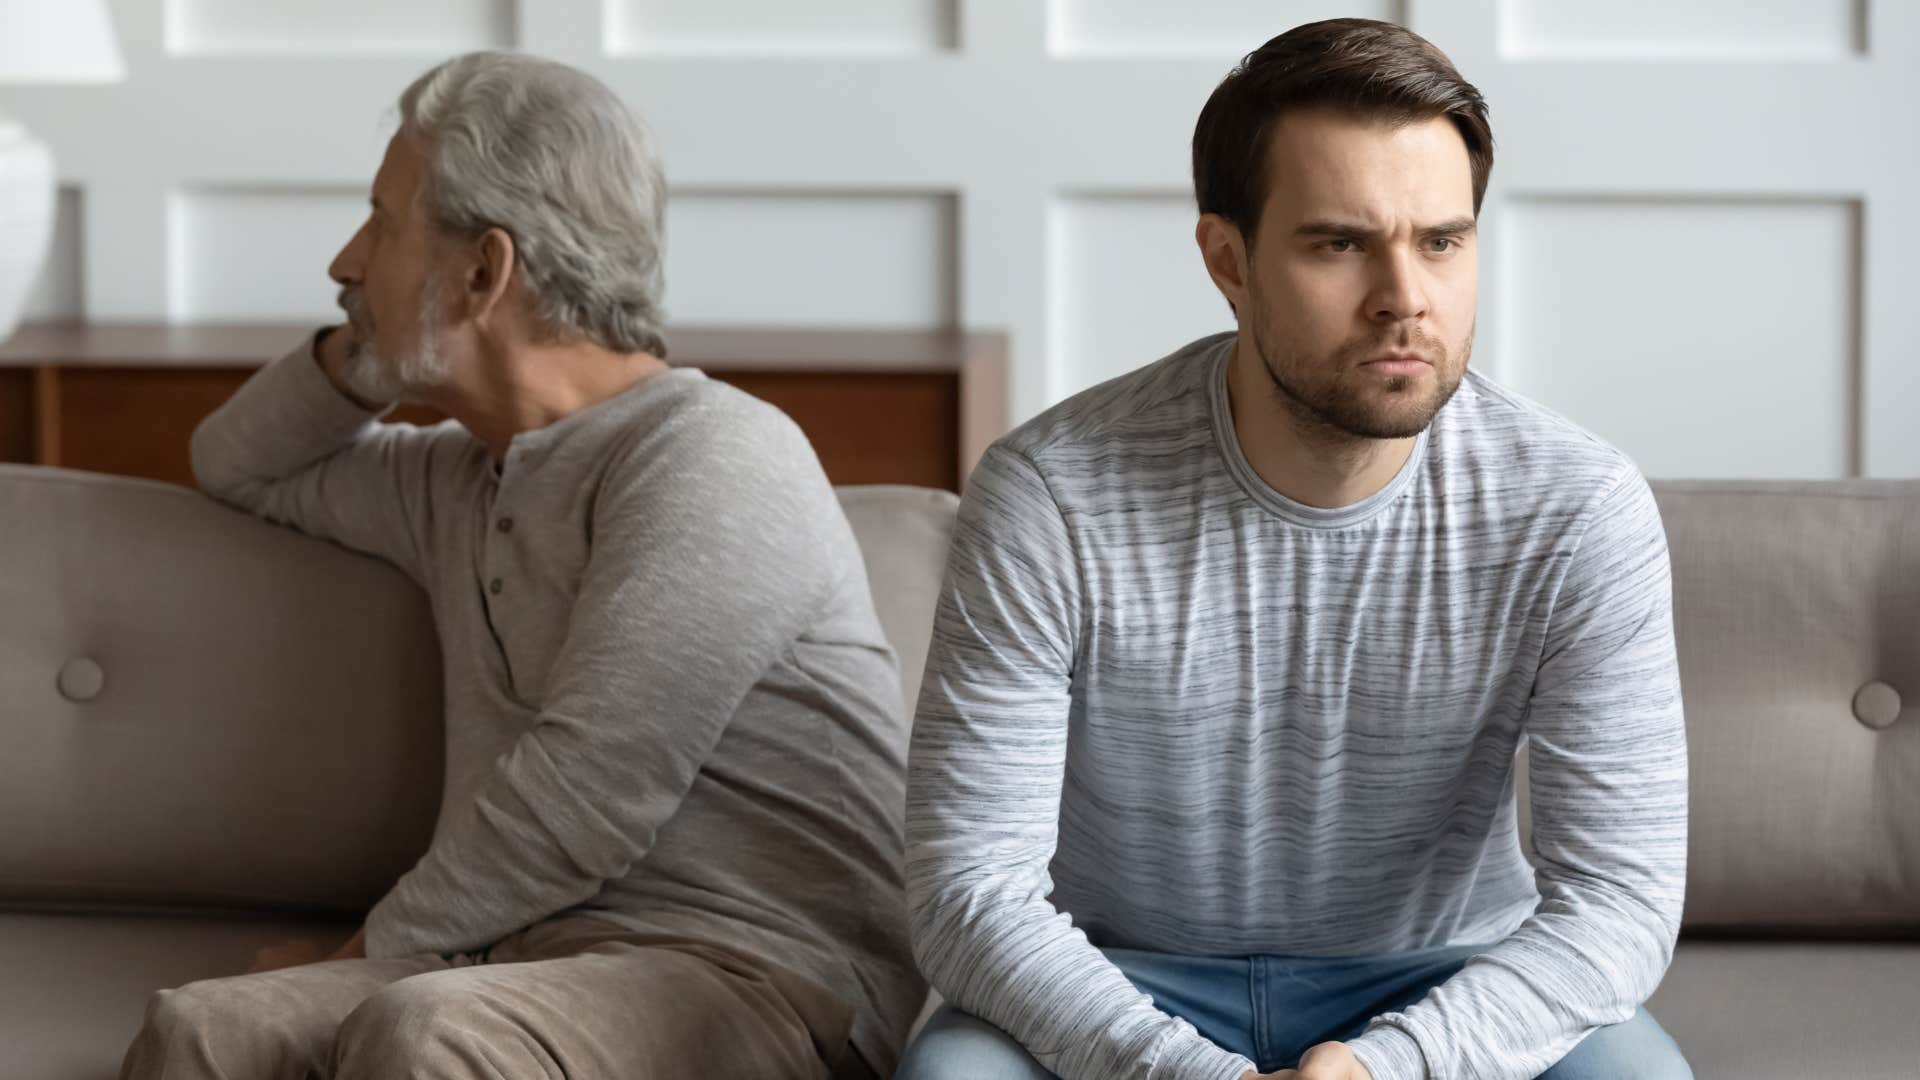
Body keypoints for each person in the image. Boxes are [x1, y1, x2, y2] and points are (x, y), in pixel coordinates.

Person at [899, 18, 1690, 1080]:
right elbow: (968, 892)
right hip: (1121, 977)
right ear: (1229, 262)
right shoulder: (1051, 495)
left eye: (1442, 241)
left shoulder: (1577, 510)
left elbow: (1620, 906)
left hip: (1444, 980)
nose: (1406, 297)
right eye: (1340, 243)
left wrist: (1384, 1069)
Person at [120, 51, 919, 1080]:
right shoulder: (457, 480)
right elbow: (235, 463)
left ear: (484, 272)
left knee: (425, 1031)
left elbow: (590, 791)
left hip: (758, 978)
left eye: (382, 223)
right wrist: (374, 350)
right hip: (519, 964)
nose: (345, 262)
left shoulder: (715, 452)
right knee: (204, 1028)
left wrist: (360, 957)